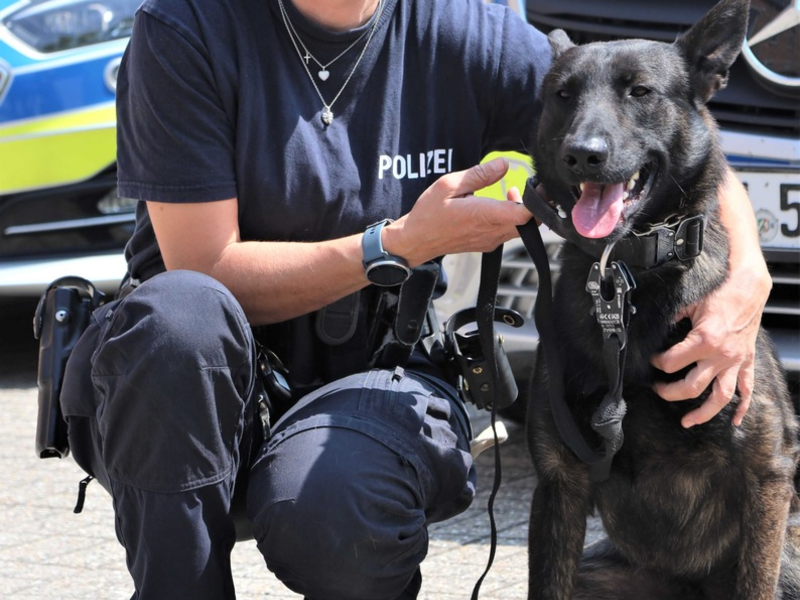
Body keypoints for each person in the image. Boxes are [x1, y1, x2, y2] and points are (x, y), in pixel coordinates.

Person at [59, 0, 772, 598]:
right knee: (176, 318)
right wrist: (396, 244)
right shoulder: (187, 27)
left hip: (371, 371)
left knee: (337, 506)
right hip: (201, 376)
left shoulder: (459, 28)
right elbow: (204, 266)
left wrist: (745, 280)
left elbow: (665, 129)